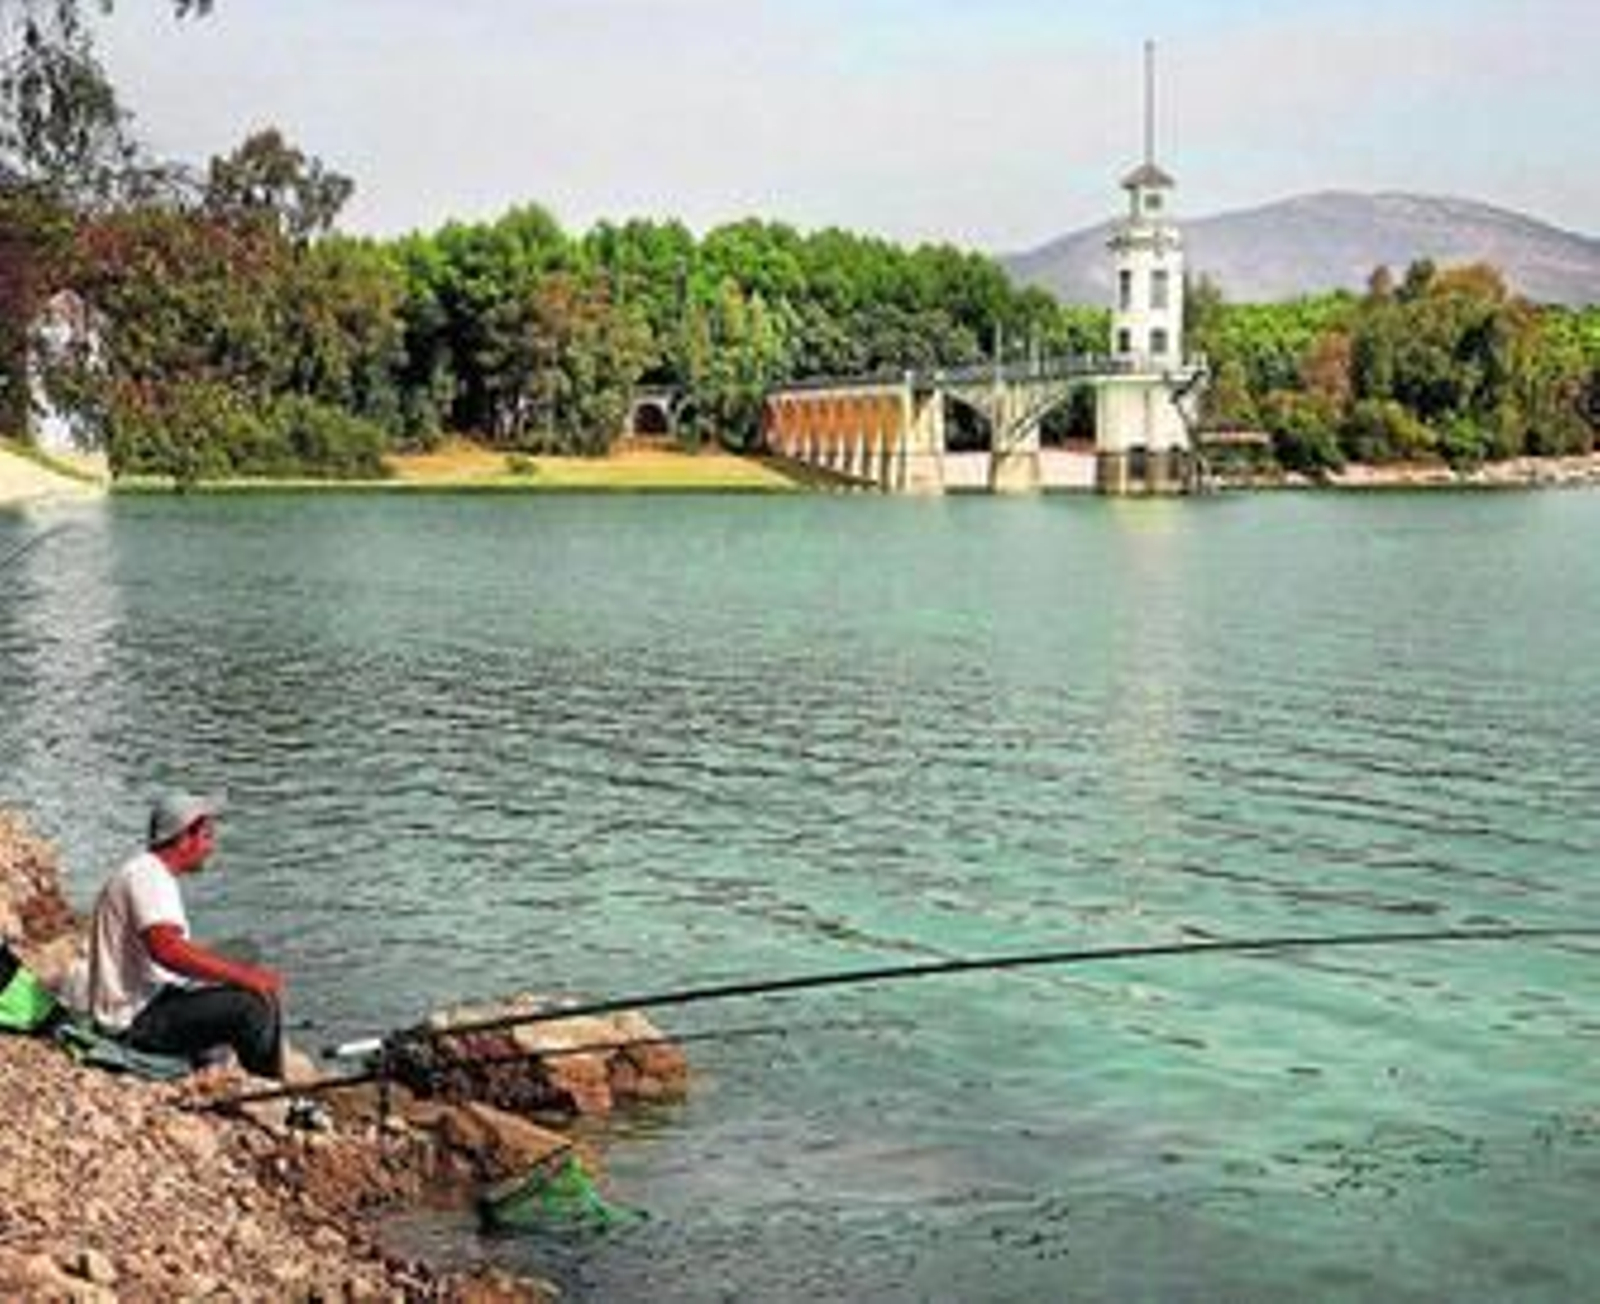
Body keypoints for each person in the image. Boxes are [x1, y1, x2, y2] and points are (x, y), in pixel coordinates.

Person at [86, 788, 285, 1078]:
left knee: (244, 952)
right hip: (135, 1022)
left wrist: (231, 972)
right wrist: (245, 978)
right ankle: (269, 1086)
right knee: (252, 1006)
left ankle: (247, 1053)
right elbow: (166, 950)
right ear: (183, 839)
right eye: (206, 837)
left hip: (152, 997)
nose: (211, 847)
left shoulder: (147, 871)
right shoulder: (148, 877)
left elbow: (165, 949)